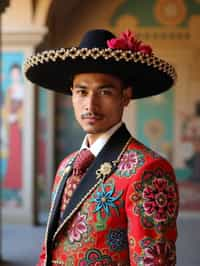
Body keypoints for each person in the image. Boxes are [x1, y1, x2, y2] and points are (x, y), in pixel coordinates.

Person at [24, 29, 179, 266]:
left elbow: (154, 261)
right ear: (72, 96)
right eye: (82, 92)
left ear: (125, 96)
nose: (90, 104)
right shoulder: (67, 165)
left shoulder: (148, 170)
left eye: (105, 91)